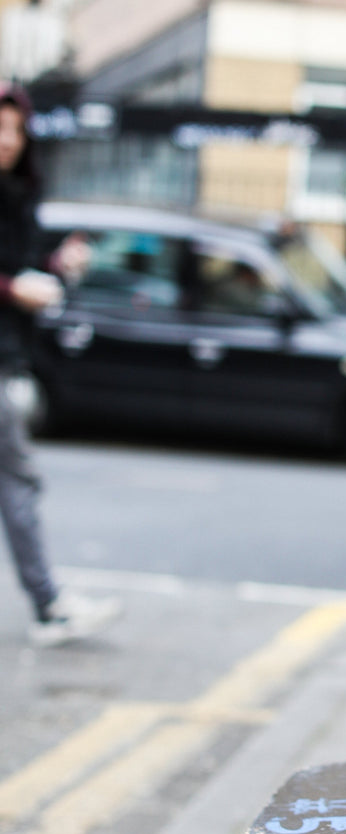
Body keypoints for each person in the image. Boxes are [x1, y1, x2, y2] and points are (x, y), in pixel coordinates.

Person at [0, 83, 120, 646]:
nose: (6, 140)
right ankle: (49, 604)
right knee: (17, 476)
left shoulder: (16, 195)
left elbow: (17, 265)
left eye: (14, 130)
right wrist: (13, 291)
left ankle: (49, 602)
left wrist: (54, 264)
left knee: (16, 477)